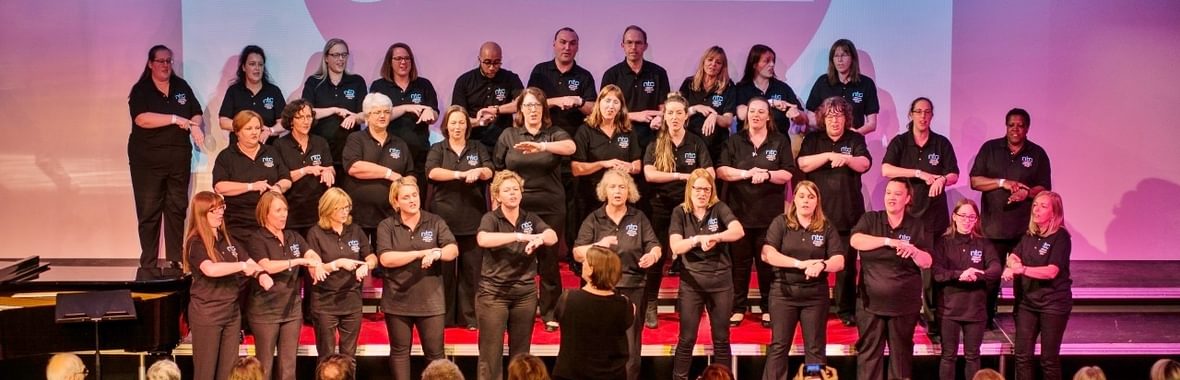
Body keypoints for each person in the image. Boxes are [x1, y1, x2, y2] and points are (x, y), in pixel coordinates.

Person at [493, 87, 577, 332]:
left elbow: (570, 148)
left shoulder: (553, 134)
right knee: (517, 258)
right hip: (517, 207)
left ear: (544, 109)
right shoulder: (509, 135)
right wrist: (497, 204)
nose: (532, 110)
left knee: (549, 261)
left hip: (550, 205)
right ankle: (516, 310)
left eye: (537, 106)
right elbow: (498, 171)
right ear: (520, 110)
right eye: (527, 106)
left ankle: (551, 312)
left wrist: (542, 147)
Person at [882, 97, 960, 338]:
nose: (923, 116)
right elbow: (886, 170)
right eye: (918, 111)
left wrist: (941, 179)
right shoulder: (900, 142)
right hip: (907, 216)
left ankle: (931, 318)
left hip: (934, 215)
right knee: (904, 266)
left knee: (930, 268)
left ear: (932, 116)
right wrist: (918, 173)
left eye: (927, 112)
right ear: (911, 114)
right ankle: (903, 313)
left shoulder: (941, 143)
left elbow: (954, 174)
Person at [572, 169, 661, 380]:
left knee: (630, 346)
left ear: (629, 191)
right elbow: (577, 253)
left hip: (633, 285)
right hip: (600, 289)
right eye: (612, 186)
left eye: (622, 186)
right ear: (605, 191)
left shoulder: (638, 217)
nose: (617, 191)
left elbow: (655, 245)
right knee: (599, 342)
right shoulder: (594, 219)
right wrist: (598, 245)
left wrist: (653, 255)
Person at [970, 108, 1052, 328]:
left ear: (1027, 128)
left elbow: (1045, 188)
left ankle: (1022, 318)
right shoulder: (990, 148)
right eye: (1011, 125)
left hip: (1024, 229)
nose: (1015, 129)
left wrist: (1027, 193)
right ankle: (985, 319)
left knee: (1023, 279)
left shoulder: (1037, 154)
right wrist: (1001, 183)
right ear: (1005, 126)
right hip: (993, 227)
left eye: (1020, 125)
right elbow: (975, 181)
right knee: (991, 277)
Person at [716, 97, 794, 327]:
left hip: (769, 215)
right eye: (752, 111)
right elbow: (721, 170)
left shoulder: (779, 141)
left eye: (761, 112)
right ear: (746, 114)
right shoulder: (735, 141)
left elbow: (788, 173)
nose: (756, 115)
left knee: (766, 264)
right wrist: (746, 174)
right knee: (739, 264)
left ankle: (768, 308)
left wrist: (768, 175)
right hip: (738, 213)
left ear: (769, 116)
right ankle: (738, 308)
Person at [476, 171, 559, 380]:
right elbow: (483, 239)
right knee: (490, 354)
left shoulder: (530, 218)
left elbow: (552, 235)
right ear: (497, 195)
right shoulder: (491, 218)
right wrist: (518, 236)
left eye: (515, 189)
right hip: (494, 293)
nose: (512, 194)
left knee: (522, 355)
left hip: (525, 293)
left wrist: (540, 238)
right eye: (507, 190)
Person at [127, 44, 205, 268]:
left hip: (177, 159)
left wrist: (195, 126)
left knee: (176, 207)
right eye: (160, 61)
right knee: (149, 210)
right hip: (147, 162)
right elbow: (141, 119)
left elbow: (195, 113)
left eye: (169, 61)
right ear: (150, 64)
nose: (165, 65)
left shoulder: (181, 86)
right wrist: (174, 119)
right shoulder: (142, 89)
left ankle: (175, 259)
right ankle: (149, 263)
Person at [797, 96, 872, 327]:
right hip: (816, 217)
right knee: (811, 263)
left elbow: (864, 164)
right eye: (830, 115)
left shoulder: (855, 138)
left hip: (848, 214)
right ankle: (809, 308)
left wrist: (845, 158)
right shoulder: (813, 139)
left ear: (846, 118)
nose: (835, 120)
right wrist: (829, 156)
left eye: (839, 115)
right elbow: (803, 164)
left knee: (847, 268)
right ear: (822, 118)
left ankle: (845, 309)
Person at [642, 93, 715, 327]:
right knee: (657, 257)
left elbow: (710, 173)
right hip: (660, 206)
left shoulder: (695, 142)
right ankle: (650, 303)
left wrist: (693, 179)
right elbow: (649, 174)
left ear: (686, 117)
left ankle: (688, 304)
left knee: (690, 257)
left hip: (688, 208)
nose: (674, 117)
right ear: (664, 117)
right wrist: (682, 176)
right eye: (669, 113)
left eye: (678, 113)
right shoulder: (656, 142)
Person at [850, 178, 933, 380]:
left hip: (903, 306)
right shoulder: (871, 219)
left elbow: (927, 261)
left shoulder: (916, 225)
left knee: (901, 358)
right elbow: (855, 240)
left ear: (907, 198)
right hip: (870, 304)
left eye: (897, 194)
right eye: (888, 193)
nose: (891, 198)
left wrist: (913, 250)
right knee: (869, 356)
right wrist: (889, 241)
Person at [761, 181, 846, 379]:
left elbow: (839, 260)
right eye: (801, 196)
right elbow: (768, 254)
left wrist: (822, 265)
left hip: (815, 296)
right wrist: (801, 264)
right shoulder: (781, 223)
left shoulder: (826, 227)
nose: (806, 201)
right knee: (779, 346)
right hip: (783, 294)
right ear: (794, 200)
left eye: (811, 197)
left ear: (817, 201)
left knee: (815, 348)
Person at [377, 176, 459, 380]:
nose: (413, 200)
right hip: (397, 301)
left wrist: (437, 253)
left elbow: (452, 249)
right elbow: (386, 259)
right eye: (406, 197)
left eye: (415, 195)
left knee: (435, 354)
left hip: (430, 301)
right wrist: (420, 253)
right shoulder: (387, 226)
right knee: (399, 351)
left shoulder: (435, 221)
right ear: (396, 202)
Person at [669, 169, 745, 380]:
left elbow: (738, 231)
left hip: (720, 282)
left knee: (721, 338)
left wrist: (717, 237)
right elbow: (675, 245)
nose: (702, 193)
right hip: (691, 284)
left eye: (706, 189)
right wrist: (696, 239)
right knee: (686, 339)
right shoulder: (679, 212)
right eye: (698, 189)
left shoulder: (718, 208)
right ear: (689, 190)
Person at [185, 191, 266, 380]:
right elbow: (210, 270)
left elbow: (249, 260)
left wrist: (260, 273)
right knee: (206, 372)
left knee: (229, 371)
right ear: (202, 214)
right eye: (214, 210)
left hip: (230, 312)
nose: (220, 212)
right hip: (208, 314)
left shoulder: (227, 239)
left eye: (221, 207)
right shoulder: (196, 242)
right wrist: (242, 266)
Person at [427, 105, 495, 329]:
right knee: (444, 273)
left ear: (468, 125)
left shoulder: (477, 147)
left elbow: (489, 170)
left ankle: (469, 318)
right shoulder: (439, 148)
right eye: (453, 122)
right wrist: (459, 174)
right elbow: (432, 172)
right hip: (444, 219)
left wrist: (480, 172)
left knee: (471, 272)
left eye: (461, 122)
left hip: (472, 217)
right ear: (447, 126)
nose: (457, 126)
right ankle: (444, 318)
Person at [246, 191, 324, 380]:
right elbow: (266, 266)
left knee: (288, 367)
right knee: (264, 366)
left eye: (285, 210)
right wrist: (295, 261)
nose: (284, 214)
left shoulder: (293, 236)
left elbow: (310, 253)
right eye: (278, 210)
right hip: (265, 311)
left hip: (291, 309)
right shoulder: (257, 238)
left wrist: (316, 263)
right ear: (265, 213)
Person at [1002, 191, 1071, 380]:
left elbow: (1051, 271)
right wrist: (1014, 263)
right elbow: (1014, 255)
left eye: (1043, 206)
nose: (1036, 209)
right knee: (1022, 356)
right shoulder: (1030, 235)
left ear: (1054, 212)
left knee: (1048, 359)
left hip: (1053, 304)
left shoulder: (1061, 237)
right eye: (1035, 205)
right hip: (1028, 303)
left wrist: (1021, 270)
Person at [571, 84, 641, 261]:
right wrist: (603, 164)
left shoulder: (628, 131)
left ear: (621, 107)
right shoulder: (585, 131)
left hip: (620, 198)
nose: (611, 106)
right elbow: (576, 168)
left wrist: (630, 167)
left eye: (616, 102)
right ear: (598, 103)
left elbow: (638, 164)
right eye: (607, 101)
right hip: (590, 198)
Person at [934, 199, 1001, 380]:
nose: (967, 220)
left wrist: (978, 274)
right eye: (963, 216)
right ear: (954, 217)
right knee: (948, 355)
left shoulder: (984, 243)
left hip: (975, 310)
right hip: (949, 310)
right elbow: (937, 273)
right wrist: (959, 275)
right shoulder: (943, 243)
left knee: (973, 356)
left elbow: (995, 269)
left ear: (976, 219)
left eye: (971, 217)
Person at [306, 188, 374, 361]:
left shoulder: (355, 230)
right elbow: (314, 270)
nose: (345, 212)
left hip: (352, 301)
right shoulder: (316, 233)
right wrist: (337, 264)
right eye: (340, 208)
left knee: (349, 357)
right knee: (327, 357)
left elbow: (372, 257)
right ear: (328, 208)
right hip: (325, 303)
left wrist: (366, 265)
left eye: (347, 207)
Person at [369, 42, 439, 196]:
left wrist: (430, 112)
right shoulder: (379, 86)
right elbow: (373, 116)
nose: (403, 62)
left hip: (419, 151)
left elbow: (435, 113)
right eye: (398, 58)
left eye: (407, 58)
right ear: (390, 62)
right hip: (388, 152)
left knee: (416, 195)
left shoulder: (423, 84)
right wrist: (405, 108)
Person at [553, 246, 632, 380]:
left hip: (571, 374)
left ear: (592, 269)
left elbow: (558, 317)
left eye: (585, 261)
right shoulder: (625, 305)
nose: (582, 264)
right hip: (611, 375)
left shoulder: (568, 299)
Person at [214, 110, 293, 244]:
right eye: (249, 128)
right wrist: (251, 186)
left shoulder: (271, 151)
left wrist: (278, 187)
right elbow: (219, 186)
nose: (254, 132)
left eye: (257, 128)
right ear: (237, 131)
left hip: (269, 221)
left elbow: (286, 179)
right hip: (238, 223)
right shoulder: (226, 156)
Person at [342, 92, 414, 238]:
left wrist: (408, 185)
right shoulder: (356, 139)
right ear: (367, 116)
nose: (383, 116)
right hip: (359, 217)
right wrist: (389, 174)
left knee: (387, 259)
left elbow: (410, 174)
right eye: (377, 112)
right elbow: (354, 167)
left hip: (390, 218)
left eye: (386, 112)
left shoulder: (400, 143)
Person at [601, 25, 670, 149]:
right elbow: (603, 113)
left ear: (645, 46)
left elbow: (664, 108)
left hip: (652, 136)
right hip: (619, 135)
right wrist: (636, 116)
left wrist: (660, 117)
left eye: (638, 43)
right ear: (622, 45)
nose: (633, 47)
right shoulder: (611, 74)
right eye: (629, 42)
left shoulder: (658, 73)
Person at [302, 38, 366, 167]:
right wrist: (333, 110)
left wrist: (355, 117)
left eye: (344, 55)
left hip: (349, 149)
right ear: (326, 58)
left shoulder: (357, 81)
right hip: (319, 147)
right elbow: (306, 112)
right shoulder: (314, 82)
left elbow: (365, 114)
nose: (341, 59)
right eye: (336, 55)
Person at [274, 99, 335, 233]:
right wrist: (305, 170)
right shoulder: (280, 145)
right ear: (291, 121)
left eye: (309, 117)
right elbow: (281, 178)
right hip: (292, 212)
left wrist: (328, 172)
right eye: (300, 117)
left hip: (318, 212)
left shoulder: (320, 142)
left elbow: (330, 167)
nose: (306, 121)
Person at [452, 41, 525, 149]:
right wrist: (478, 122)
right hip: (472, 141)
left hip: (503, 141)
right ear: (479, 60)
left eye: (496, 62)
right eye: (487, 62)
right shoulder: (464, 81)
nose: (492, 67)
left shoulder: (510, 78)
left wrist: (497, 110)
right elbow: (457, 116)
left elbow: (522, 103)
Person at [805, 39, 879, 135]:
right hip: (825, 139)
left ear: (852, 58)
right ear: (832, 60)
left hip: (853, 141)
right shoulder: (822, 82)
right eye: (836, 56)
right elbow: (810, 116)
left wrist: (855, 134)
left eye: (844, 55)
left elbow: (872, 123)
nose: (840, 60)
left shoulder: (866, 84)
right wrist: (830, 130)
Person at [735, 45, 807, 140]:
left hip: (778, 144)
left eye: (773, 61)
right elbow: (741, 114)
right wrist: (771, 103)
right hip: (748, 144)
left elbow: (803, 118)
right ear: (754, 64)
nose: (772, 64)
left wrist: (797, 115)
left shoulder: (782, 88)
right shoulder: (742, 88)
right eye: (767, 61)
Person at [219, 45, 286, 144]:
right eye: (252, 64)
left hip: (268, 150)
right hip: (239, 151)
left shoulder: (274, 91)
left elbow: (284, 122)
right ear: (243, 67)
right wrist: (246, 126)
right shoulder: (234, 91)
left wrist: (270, 131)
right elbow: (223, 121)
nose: (257, 68)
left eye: (260, 64)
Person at [679, 46, 736, 160]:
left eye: (718, 62)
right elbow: (678, 112)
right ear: (703, 61)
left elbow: (728, 120)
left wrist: (715, 116)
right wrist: (695, 108)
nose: (713, 64)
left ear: (722, 67)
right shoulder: (688, 83)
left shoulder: (728, 87)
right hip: (689, 143)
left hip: (716, 146)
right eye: (710, 60)